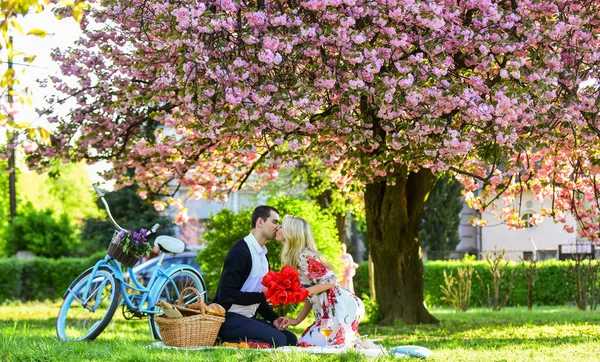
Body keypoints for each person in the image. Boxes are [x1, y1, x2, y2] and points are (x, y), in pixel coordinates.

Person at [275, 215, 365, 348]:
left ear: (291, 232)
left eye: (281, 226)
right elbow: (312, 295)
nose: (277, 228)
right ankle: (364, 345)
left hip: (340, 307)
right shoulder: (298, 257)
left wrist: (302, 292)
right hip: (331, 310)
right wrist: (296, 320)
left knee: (308, 346)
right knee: (305, 345)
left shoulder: (303, 257)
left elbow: (331, 280)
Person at [214, 205, 297, 347]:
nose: (278, 227)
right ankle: (225, 342)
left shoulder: (263, 254)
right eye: (274, 222)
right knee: (279, 341)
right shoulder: (240, 251)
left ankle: (242, 342)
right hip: (228, 319)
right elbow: (226, 294)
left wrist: (274, 318)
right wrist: (263, 296)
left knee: (290, 339)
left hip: (247, 318)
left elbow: (258, 297)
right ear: (260, 222)